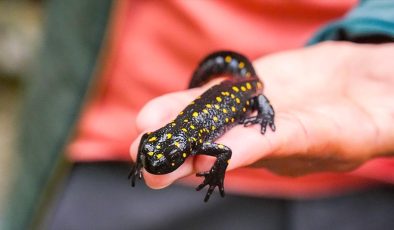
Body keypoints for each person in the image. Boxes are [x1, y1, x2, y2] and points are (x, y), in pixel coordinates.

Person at [3, 0, 394, 229]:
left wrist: (263, 114)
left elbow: (221, 154)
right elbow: (159, 145)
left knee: (251, 92)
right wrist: (142, 164)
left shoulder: (210, 133)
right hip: (101, 148)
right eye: (158, 157)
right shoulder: (168, 137)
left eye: (158, 158)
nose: (157, 158)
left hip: (368, 186)